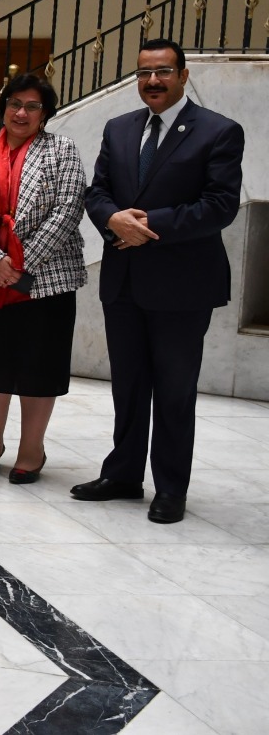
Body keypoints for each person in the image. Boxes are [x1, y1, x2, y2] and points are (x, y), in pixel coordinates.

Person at [74, 39, 245, 524]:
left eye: (163, 71)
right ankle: (123, 475)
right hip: (124, 282)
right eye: (144, 72)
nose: (153, 81)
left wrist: (148, 226)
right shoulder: (119, 128)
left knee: (174, 390)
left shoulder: (218, 131)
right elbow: (98, 192)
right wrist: (112, 219)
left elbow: (220, 206)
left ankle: (171, 487)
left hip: (182, 286)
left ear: (183, 76)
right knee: (128, 387)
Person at [0, 73, 86, 485]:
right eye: (14, 104)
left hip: (45, 281)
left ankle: (32, 449)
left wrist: (20, 265)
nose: (21, 113)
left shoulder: (62, 150)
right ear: (3, 107)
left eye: (32, 106)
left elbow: (68, 209)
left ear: (45, 113)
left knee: (38, 365)